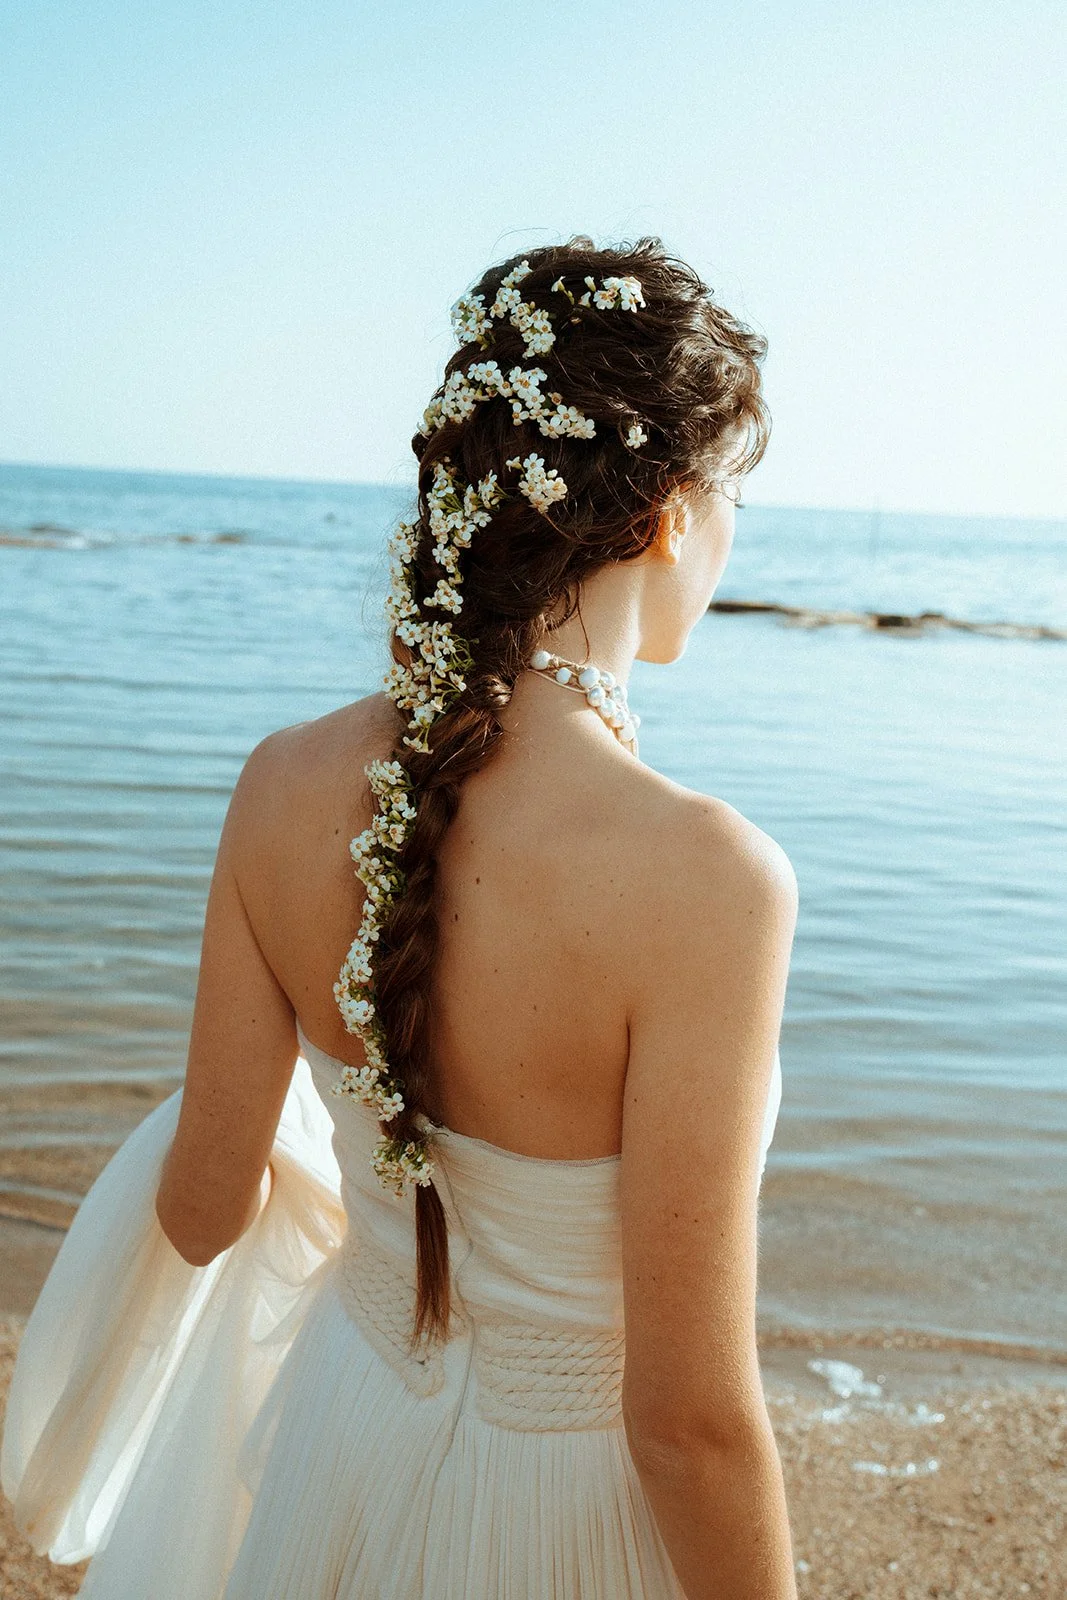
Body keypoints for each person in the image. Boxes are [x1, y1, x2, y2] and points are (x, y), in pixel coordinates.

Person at [2, 235, 799, 1598]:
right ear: (671, 510)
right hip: (569, 1518)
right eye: (736, 498)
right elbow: (685, 1422)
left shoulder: (280, 784)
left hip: (345, 1428)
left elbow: (200, 1209)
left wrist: (373, 1221)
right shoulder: (707, 878)